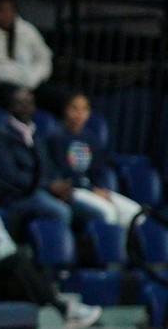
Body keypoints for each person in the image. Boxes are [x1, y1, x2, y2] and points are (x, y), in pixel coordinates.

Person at [0, 173, 99, 325]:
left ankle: (43, 321)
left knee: (22, 271)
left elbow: (7, 248)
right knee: (19, 263)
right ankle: (61, 307)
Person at [47, 90, 143, 230]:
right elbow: (63, 173)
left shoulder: (90, 138)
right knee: (107, 213)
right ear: (64, 110)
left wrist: (101, 188)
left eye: (84, 109)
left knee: (136, 214)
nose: (79, 114)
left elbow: (98, 169)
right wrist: (91, 189)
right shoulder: (56, 138)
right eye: (74, 108)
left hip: (92, 188)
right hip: (72, 190)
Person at [0, 88, 71, 235]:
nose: (25, 108)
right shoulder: (0, 137)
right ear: (10, 107)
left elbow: (48, 165)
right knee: (62, 212)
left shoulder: (36, 134)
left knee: (79, 205)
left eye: (29, 103)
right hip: (17, 196)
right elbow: (10, 176)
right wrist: (49, 186)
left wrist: (59, 183)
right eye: (20, 103)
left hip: (41, 190)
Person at [0, 0, 53, 95]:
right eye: (2, 11)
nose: (7, 15)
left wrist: (34, 79)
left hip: (32, 82)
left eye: (10, 10)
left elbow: (44, 58)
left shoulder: (28, 31)